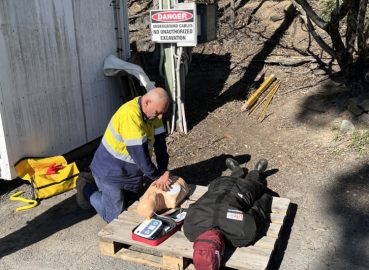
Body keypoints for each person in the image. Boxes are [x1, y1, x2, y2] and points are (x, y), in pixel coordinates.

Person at [76, 87, 172, 223]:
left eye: (162, 113)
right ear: (147, 103)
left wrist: (163, 170)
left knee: (133, 210)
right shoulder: (130, 115)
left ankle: (105, 194)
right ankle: (86, 187)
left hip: (131, 173)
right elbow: (140, 155)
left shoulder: (154, 114)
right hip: (109, 172)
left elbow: (160, 145)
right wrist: (157, 177)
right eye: (158, 113)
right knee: (115, 219)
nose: (160, 117)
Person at [183, 158, 273, 270]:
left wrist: (265, 196)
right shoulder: (189, 229)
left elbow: (259, 210)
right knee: (251, 182)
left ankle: (238, 171)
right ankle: (255, 172)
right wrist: (265, 197)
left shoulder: (241, 235)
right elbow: (257, 212)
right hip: (235, 189)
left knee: (248, 185)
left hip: (221, 187)